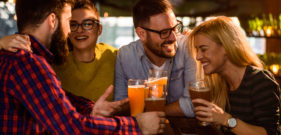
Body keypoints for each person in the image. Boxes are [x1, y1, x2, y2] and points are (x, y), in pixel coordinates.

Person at [0, 0, 165, 134]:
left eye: (87, 24)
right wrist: (136, 126)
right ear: (52, 21)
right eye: (69, 22)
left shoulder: (14, 58)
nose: (69, 32)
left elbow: (58, 99)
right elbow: (72, 127)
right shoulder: (30, 64)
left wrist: (91, 109)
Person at [187, 16, 281, 135]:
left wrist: (225, 119)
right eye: (197, 50)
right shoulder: (219, 85)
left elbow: (272, 133)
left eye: (203, 49)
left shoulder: (260, 81)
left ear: (226, 47)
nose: (198, 57)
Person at [114, 0, 197, 117]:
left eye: (175, 28)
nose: (174, 37)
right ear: (141, 34)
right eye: (164, 32)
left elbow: (193, 104)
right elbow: (120, 106)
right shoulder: (126, 55)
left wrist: (152, 114)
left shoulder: (188, 46)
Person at [52, 0, 117, 102]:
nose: (79, 30)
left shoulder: (115, 56)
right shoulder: (56, 66)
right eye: (73, 24)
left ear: (99, 29)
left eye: (87, 24)